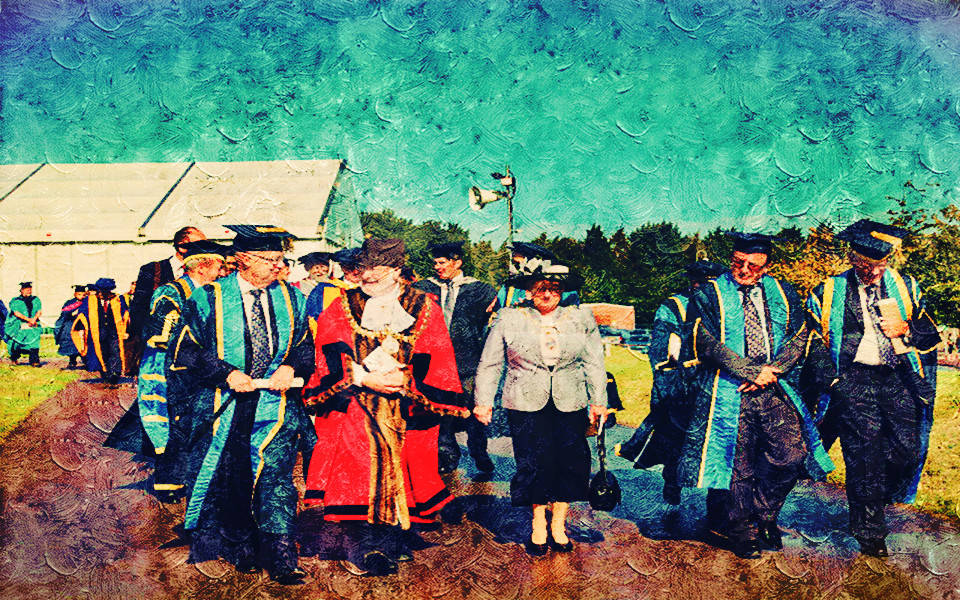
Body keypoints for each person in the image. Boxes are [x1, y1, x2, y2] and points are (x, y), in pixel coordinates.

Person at [302, 238, 467, 576]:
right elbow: (328, 351)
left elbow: (437, 353)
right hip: (355, 404)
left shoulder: (424, 306)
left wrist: (407, 381)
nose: (367, 275)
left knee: (405, 470)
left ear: (395, 270)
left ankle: (393, 538)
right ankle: (366, 545)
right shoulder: (342, 305)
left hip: (408, 407)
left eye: (375, 268)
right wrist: (363, 377)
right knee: (359, 470)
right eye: (363, 267)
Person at [166, 225, 314, 585]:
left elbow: (305, 344)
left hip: (275, 403)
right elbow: (184, 349)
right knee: (233, 476)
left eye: (281, 259)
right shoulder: (208, 298)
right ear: (244, 259)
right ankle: (241, 545)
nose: (278, 266)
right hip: (225, 403)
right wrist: (226, 373)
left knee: (276, 476)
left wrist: (291, 366)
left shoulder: (292, 298)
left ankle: (281, 555)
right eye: (270, 259)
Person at [676, 232, 834, 559]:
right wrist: (750, 371)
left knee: (791, 455)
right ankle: (742, 532)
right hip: (728, 388)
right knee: (739, 463)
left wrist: (773, 370)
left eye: (753, 265)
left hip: (774, 386)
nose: (744, 270)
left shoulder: (783, 292)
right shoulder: (710, 294)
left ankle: (763, 514)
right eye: (738, 262)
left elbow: (800, 335)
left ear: (767, 266)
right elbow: (705, 341)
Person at [807, 220, 939, 558]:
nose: (876, 272)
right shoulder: (828, 291)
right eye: (868, 265)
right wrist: (833, 381)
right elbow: (813, 342)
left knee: (907, 451)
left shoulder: (906, 286)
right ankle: (870, 532)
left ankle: (874, 499)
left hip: (897, 378)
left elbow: (930, 334)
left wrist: (905, 328)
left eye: (882, 264)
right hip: (854, 380)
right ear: (853, 258)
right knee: (864, 456)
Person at [474, 263, 607, 556]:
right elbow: (490, 362)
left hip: (570, 400)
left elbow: (594, 362)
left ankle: (558, 524)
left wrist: (599, 401)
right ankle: (538, 523)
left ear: (563, 291)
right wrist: (483, 401)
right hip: (525, 401)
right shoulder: (509, 318)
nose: (547, 294)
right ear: (529, 291)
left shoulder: (580, 317)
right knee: (533, 463)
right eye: (541, 288)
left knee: (570, 462)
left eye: (554, 289)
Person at [617, 261, 727, 504]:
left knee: (719, 442)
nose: (705, 288)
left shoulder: (725, 307)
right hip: (682, 384)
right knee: (675, 437)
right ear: (693, 282)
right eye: (700, 282)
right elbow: (660, 349)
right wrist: (671, 377)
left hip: (718, 384)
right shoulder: (675, 306)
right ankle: (672, 482)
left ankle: (718, 498)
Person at [134, 240, 227, 500]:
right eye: (218, 266)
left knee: (198, 425)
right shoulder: (171, 291)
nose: (222, 272)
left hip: (200, 368)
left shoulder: (212, 292)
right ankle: (168, 484)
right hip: (173, 370)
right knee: (176, 425)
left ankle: (195, 480)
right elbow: (162, 333)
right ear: (202, 266)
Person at [413, 242, 498, 475]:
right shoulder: (423, 288)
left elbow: (490, 320)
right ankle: (447, 455)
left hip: (467, 359)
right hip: (436, 362)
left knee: (473, 409)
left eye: (442, 262)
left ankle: (479, 452)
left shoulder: (480, 290)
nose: (437, 267)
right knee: (443, 410)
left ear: (457, 262)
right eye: (435, 263)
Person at [129, 226, 207, 361]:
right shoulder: (152, 270)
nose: (206, 250)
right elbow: (138, 310)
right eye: (201, 245)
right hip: (159, 351)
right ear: (182, 247)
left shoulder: (205, 273)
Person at [70, 278, 130, 383]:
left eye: (107, 291)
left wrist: (126, 330)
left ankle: (115, 373)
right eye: (102, 291)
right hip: (97, 332)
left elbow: (125, 314)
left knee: (115, 351)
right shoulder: (90, 300)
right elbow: (82, 314)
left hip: (114, 331)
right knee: (102, 352)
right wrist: (82, 328)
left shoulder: (118, 299)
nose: (104, 293)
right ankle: (105, 372)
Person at [492, 242, 579, 311]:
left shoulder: (565, 290)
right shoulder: (509, 288)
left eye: (518, 264)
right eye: (513, 263)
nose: (513, 269)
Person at [6, 282, 43, 366]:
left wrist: (34, 320)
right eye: (27, 290)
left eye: (30, 290)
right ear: (22, 290)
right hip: (20, 325)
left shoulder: (36, 299)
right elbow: (16, 313)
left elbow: (39, 311)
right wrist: (29, 320)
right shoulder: (15, 301)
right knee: (16, 344)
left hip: (32, 325)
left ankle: (34, 361)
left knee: (34, 343)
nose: (29, 291)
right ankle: (14, 358)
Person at [54, 285, 87, 368]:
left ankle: (86, 361)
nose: (81, 296)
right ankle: (72, 360)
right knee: (71, 343)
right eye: (79, 294)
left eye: (83, 295)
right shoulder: (70, 303)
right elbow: (64, 313)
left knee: (84, 343)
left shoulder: (87, 302)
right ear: (75, 294)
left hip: (83, 325)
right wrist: (72, 314)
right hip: (71, 325)